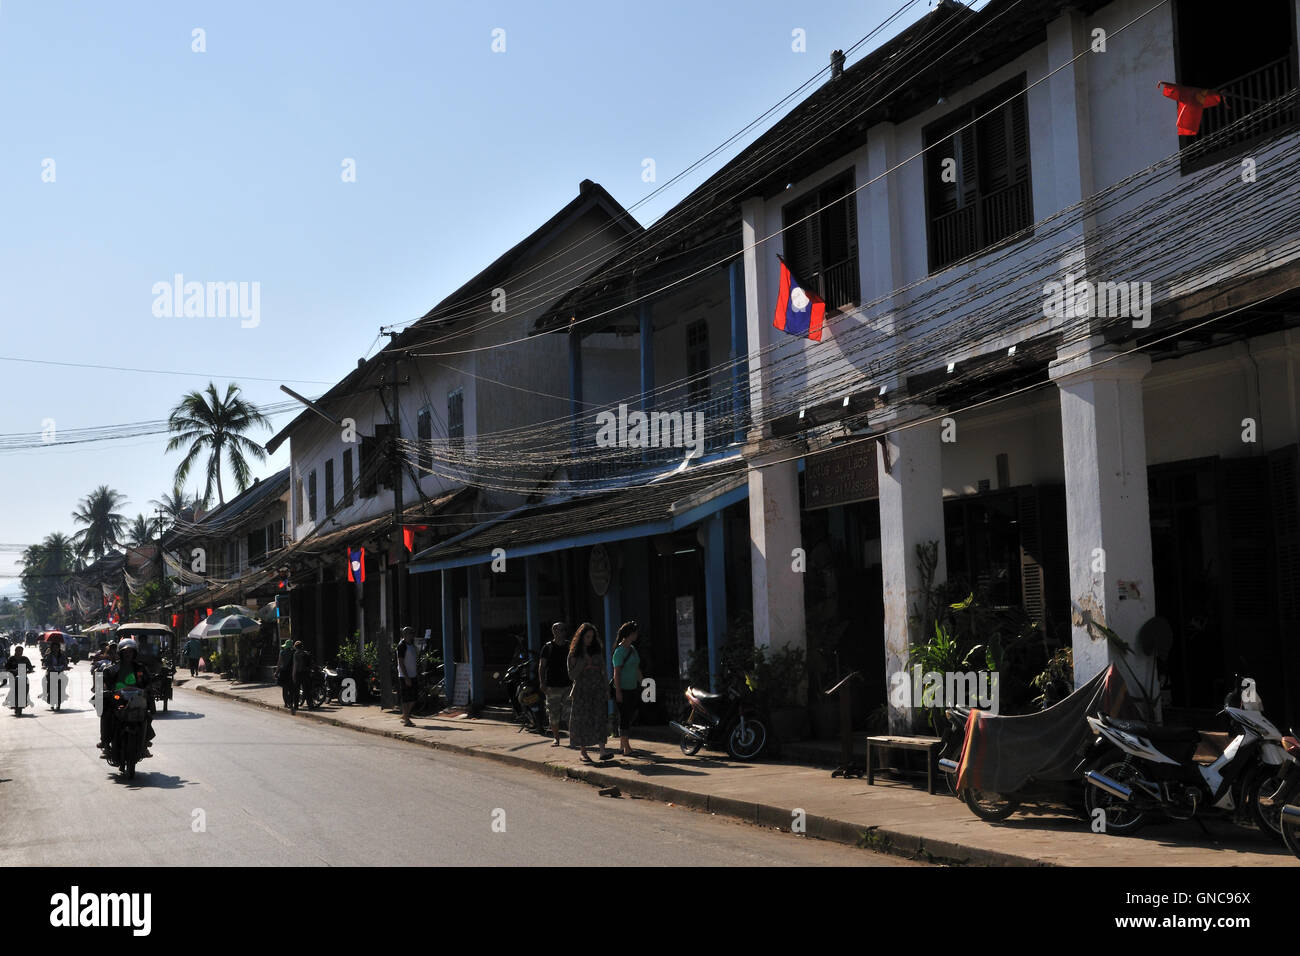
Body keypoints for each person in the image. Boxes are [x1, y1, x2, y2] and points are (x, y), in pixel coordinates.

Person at [98, 637, 154, 755]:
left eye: (130, 652)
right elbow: (104, 679)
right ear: (121, 653)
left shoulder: (140, 668)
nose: (128, 654)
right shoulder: (112, 668)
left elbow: (148, 681)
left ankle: (144, 742)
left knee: (146, 715)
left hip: (136, 698)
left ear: (134, 653)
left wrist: (147, 688)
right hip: (118, 698)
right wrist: (105, 690)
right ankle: (105, 742)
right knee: (107, 714)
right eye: (125, 652)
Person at [566, 623, 612, 763]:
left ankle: (602, 751)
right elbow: (571, 676)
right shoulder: (573, 654)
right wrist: (582, 663)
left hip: (597, 690)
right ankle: (583, 752)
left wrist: (606, 688)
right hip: (581, 692)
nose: (589, 640)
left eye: (592, 637)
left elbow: (603, 671)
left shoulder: (597, 652)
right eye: (587, 637)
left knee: (599, 718)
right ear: (581, 637)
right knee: (583, 721)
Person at [538, 622, 572, 747]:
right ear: (555, 631)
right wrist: (542, 682)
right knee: (553, 714)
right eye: (561, 630)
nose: (564, 632)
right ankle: (556, 738)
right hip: (552, 686)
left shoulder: (569, 646)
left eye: (565, 629)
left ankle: (572, 738)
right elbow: (542, 666)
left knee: (569, 713)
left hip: (568, 685)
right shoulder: (548, 647)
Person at [612, 621, 642, 757]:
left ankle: (622, 745)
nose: (636, 635)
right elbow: (616, 673)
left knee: (629, 715)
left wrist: (644, 683)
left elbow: (636, 668)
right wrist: (618, 691)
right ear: (629, 634)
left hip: (633, 687)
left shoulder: (633, 649)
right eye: (634, 632)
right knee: (625, 717)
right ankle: (627, 748)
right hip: (622, 689)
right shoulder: (619, 651)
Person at [396, 626, 418, 727]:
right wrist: (406, 677)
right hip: (405, 675)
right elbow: (400, 662)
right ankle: (407, 719)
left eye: (412, 633)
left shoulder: (412, 645)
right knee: (406, 698)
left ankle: (405, 715)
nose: (412, 635)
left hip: (413, 674)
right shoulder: (402, 645)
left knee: (413, 698)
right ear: (405, 635)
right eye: (410, 633)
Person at [4, 645, 35, 709]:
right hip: (13, 677)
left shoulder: (25, 659)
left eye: (20, 651)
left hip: (23, 677)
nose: (19, 652)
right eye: (18, 651)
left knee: (26, 686)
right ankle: (9, 699)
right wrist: (10, 670)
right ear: (15, 651)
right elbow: (6, 667)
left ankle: (26, 699)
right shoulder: (11, 659)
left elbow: (30, 667)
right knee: (13, 688)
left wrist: (31, 670)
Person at [292, 640, 313, 714]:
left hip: (298, 673)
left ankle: (296, 706)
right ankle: (310, 705)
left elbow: (295, 665)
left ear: (296, 647)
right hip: (306, 673)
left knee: (296, 690)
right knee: (307, 690)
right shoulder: (306, 653)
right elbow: (310, 665)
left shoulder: (296, 654)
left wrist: (293, 675)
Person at [275, 640, 295, 709]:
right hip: (291, 672)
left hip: (284, 672)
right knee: (291, 688)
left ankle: (286, 703)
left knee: (285, 689)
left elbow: (279, 663)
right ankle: (290, 702)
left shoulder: (282, 652)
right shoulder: (294, 652)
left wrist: (276, 672)